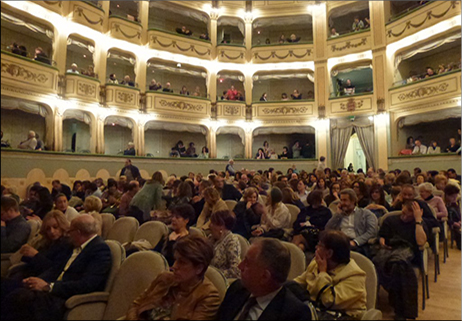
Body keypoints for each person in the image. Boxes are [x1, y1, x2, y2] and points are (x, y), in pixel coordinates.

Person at [1, 215, 112, 321]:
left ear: (78, 232)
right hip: (50, 289)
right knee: (6, 285)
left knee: (19, 297)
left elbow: (87, 284)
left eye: (70, 231)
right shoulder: (72, 246)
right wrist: (34, 281)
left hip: (63, 297)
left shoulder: (100, 250)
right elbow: (55, 269)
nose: (68, 234)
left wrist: (48, 287)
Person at [126, 235, 220, 320]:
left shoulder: (208, 296)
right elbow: (136, 305)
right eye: (175, 260)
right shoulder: (164, 278)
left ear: (199, 268)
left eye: (182, 262)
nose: (174, 266)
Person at [217, 238, 311, 320]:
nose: (240, 266)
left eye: (247, 263)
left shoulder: (294, 314)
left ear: (265, 276)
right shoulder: (236, 289)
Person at [295, 230, 367, 319]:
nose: (316, 247)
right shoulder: (316, 263)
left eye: (320, 245)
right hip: (316, 310)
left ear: (329, 253)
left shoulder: (355, 275)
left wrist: (322, 273)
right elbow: (299, 283)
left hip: (342, 315)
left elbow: (328, 301)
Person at [375, 201, 428, 320]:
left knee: (398, 265)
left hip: (407, 253)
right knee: (396, 265)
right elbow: (382, 236)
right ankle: (403, 310)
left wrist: (418, 220)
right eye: (404, 212)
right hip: (388, 251)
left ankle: (399, 306)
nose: (405, 216)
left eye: (409, 214)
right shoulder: (390, 220)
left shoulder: (418, 223)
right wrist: (382, 241)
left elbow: (420, 242)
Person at [6, 210, 73, 281]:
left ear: (62, 226)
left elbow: (54, 269)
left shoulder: (66, 244)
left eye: (55, 227)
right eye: (48, 229)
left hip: (40, 280)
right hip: (30, 273)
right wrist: (27, 253)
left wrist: (35, 255)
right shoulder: (48, 242)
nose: (52, 231)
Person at [325, 189, 378, 257]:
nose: (342, 203)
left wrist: (356, 242)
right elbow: (327, 228)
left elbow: (372, 231)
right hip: (340, 241)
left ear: (353, 201)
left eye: (345, 200)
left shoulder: (366, 214)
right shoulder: (339, 215)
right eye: (341, 200)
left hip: (357, 243)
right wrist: (337, 214)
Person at [209, 210, 241, 278]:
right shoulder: (211, 238)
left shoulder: (232, 241)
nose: (209, 225)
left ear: (221, 226)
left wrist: (215, 275)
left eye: (213, 223)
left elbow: (235, 270)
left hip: (223, 280)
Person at [444, 184, 461, 249]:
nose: (455, 198)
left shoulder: (454, 204)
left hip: (457, 222)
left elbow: (458, 215)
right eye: (453, 196)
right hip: (452, 223)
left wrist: (459, 221)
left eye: (456, 196)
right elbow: (445, 218)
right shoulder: (444, 204)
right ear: (447, 195)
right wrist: (453, 223)